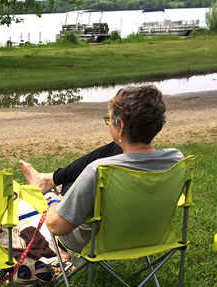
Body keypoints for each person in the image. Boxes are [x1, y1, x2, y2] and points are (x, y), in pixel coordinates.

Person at [22, 84, 184, 255]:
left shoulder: (98, 171)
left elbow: (56, 226)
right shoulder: (176, 160)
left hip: (97, 243)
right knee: (112, 150)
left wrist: (54, 203)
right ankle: (50, 181)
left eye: (109, 119)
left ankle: (62, 247)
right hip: (153, 237)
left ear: (120, 126)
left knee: (69, 186)